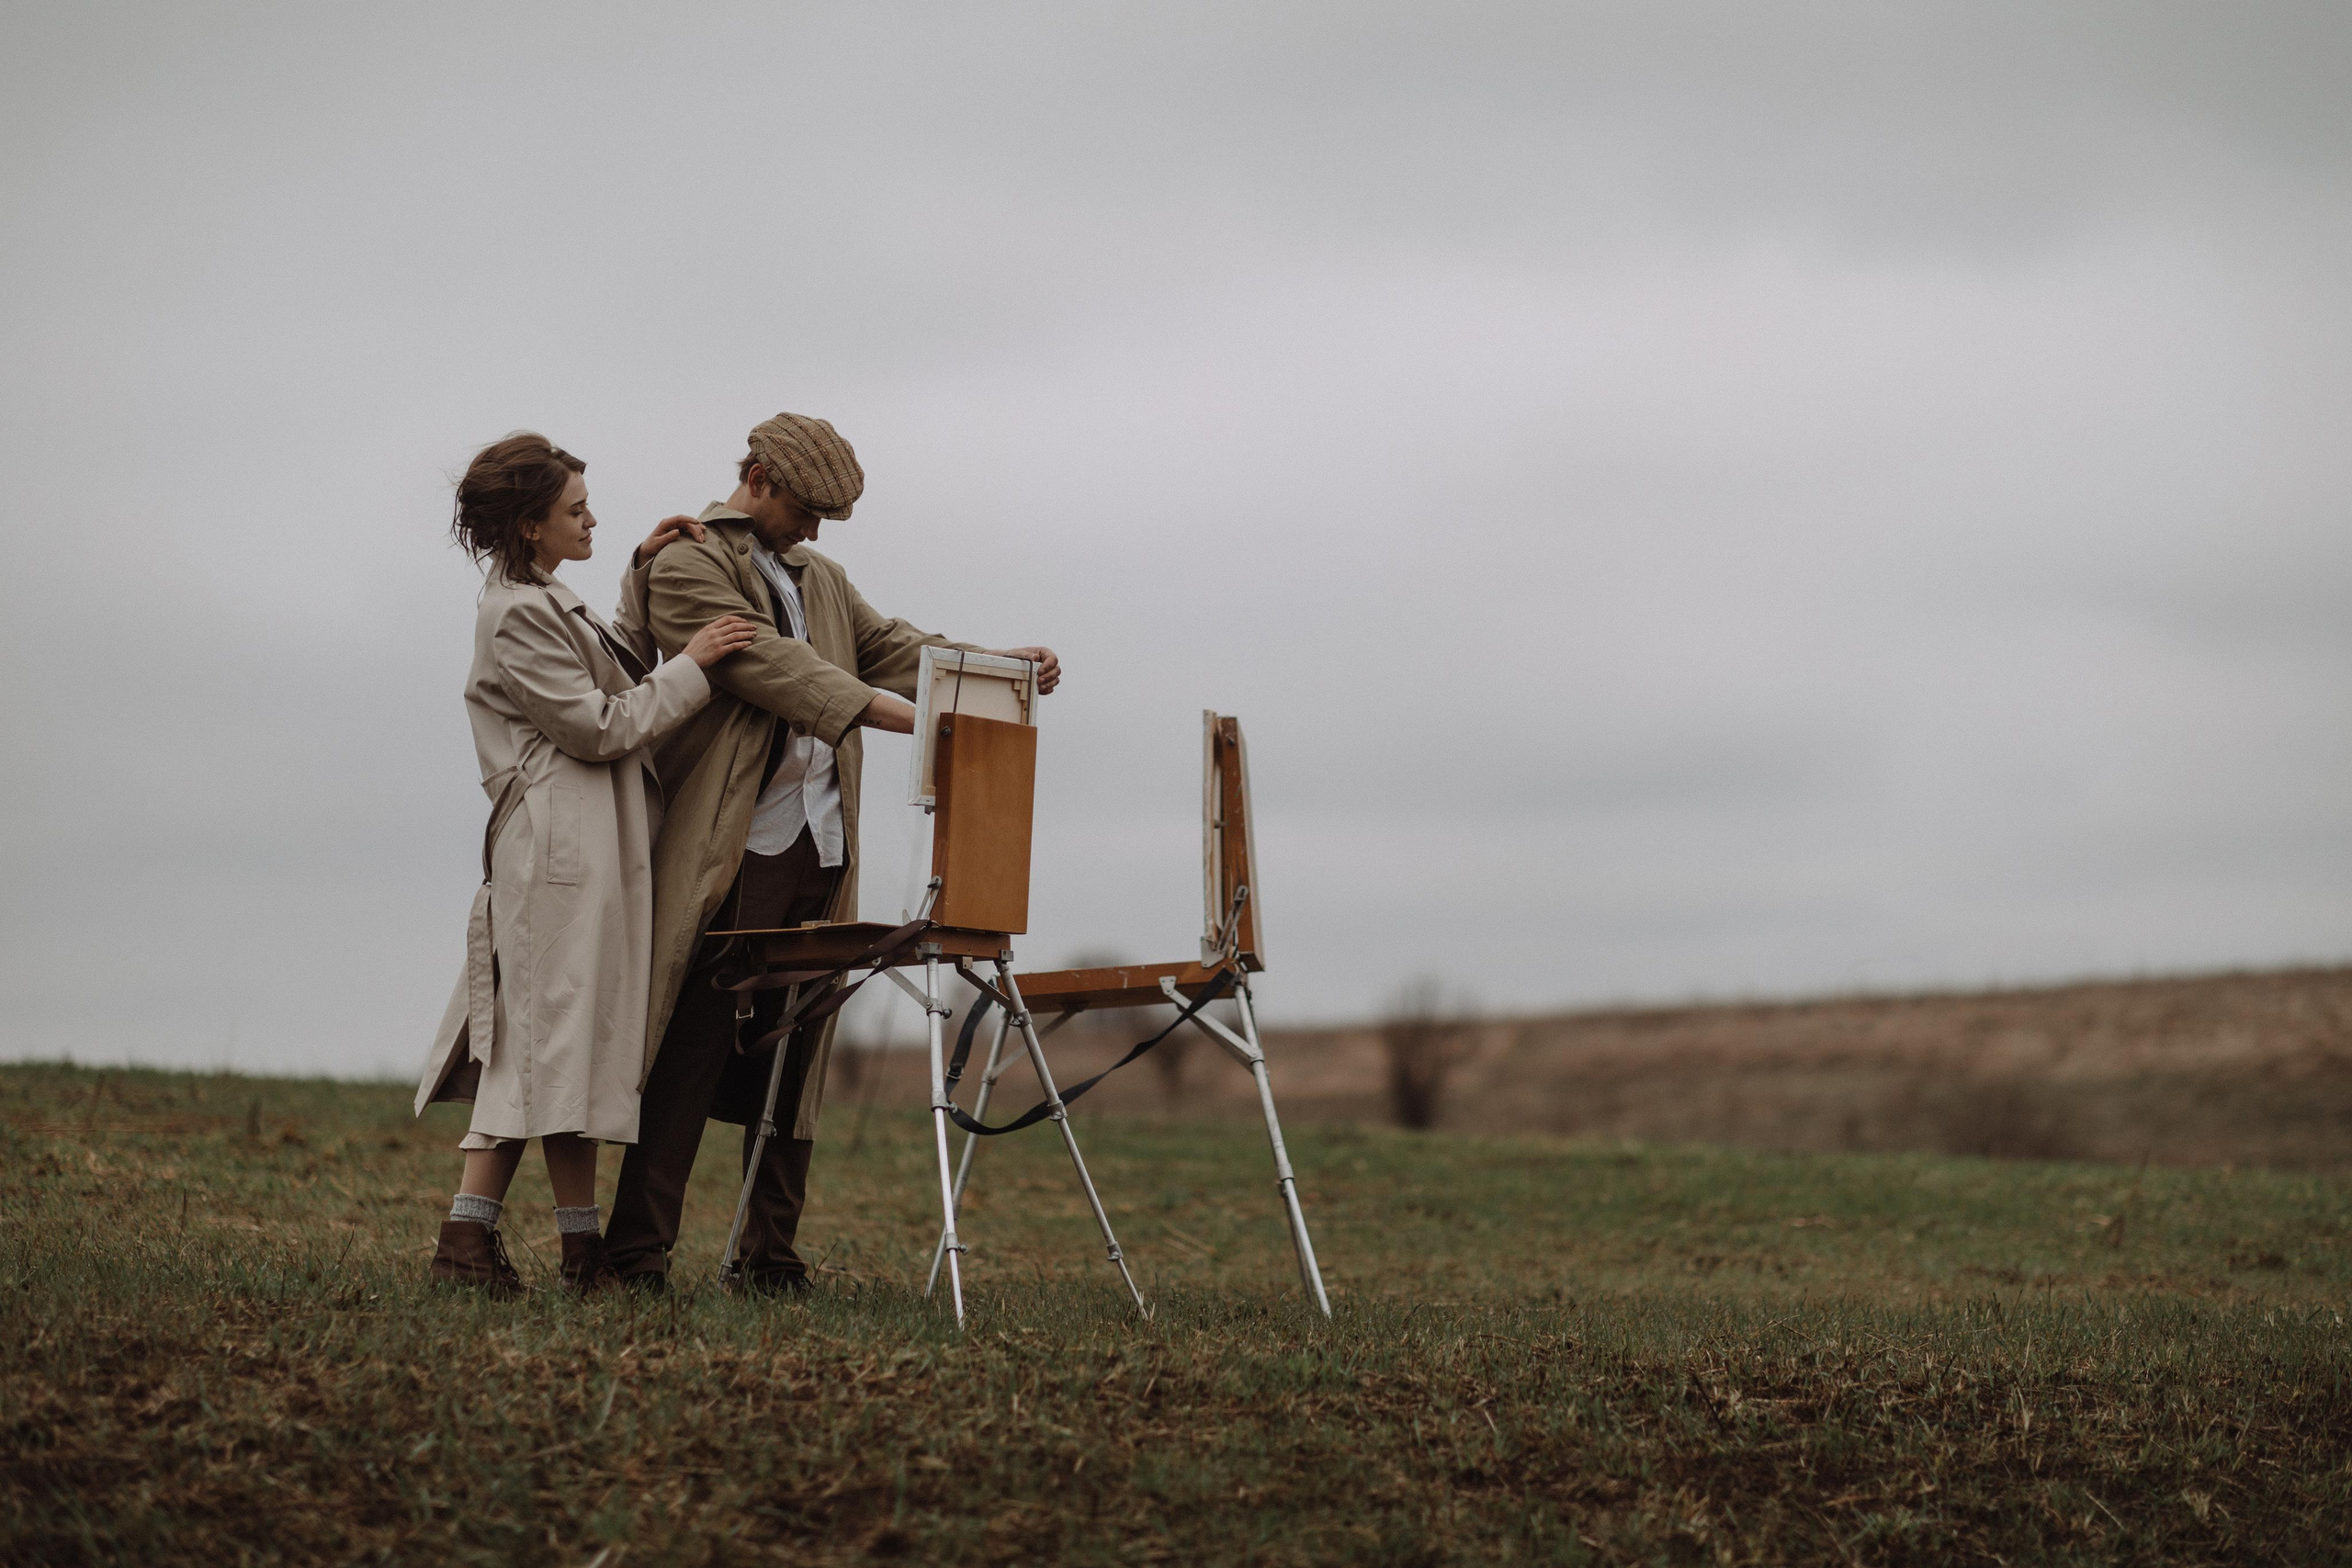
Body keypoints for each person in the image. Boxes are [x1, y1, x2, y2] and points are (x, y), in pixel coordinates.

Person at [602, 412, 1061, 1292]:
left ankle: (767, 1258)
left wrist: (990, 668)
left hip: (823, 848)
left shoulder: (822, 575)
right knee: (689, 1049)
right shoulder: (687, 560)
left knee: (797, 1058)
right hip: (726, 849)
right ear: (761, 476)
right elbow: (777, 670)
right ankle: (636, 1255)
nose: (814, 529)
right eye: (807, 508)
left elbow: (896, 648)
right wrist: (915, 716)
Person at [415, 433, 760, 1296]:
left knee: (564, 1052)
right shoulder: (517, 614)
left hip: (588, 844)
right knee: (543, 1048)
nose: (592, 517)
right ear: (531, 525)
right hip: (558, 851)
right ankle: (495, 1249)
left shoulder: (545, 597)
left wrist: (641, 573)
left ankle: (550, 1252)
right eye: (575, 509)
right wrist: (698, 664)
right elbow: (599, 723)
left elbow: (617, 670)